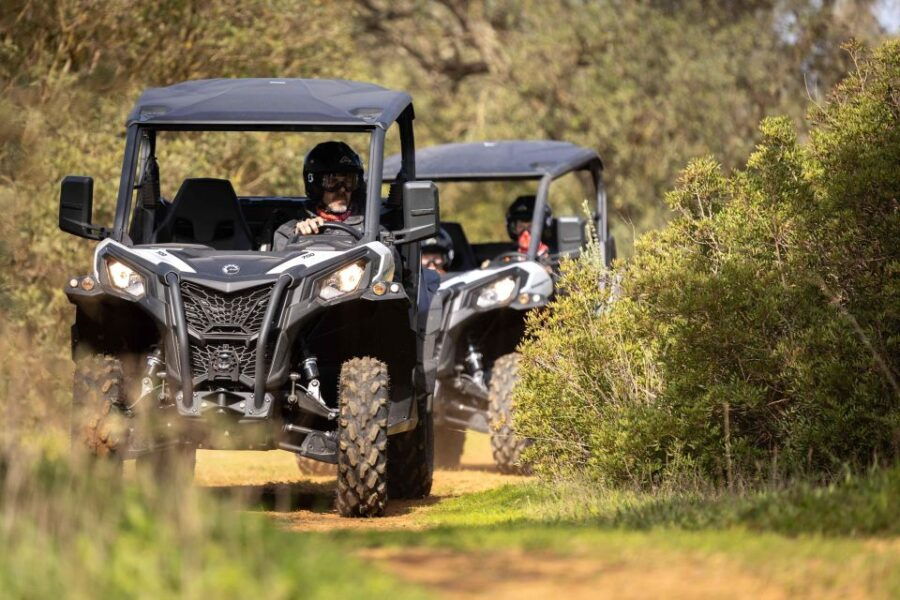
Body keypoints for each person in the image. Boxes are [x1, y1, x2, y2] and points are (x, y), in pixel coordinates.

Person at [273, 141, 364, 248]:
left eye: (349, 182)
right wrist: (299, 238)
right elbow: (282, 254)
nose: (342, 189)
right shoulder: (290, 229)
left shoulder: (371, 223)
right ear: (316, 186)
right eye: (332, 181)